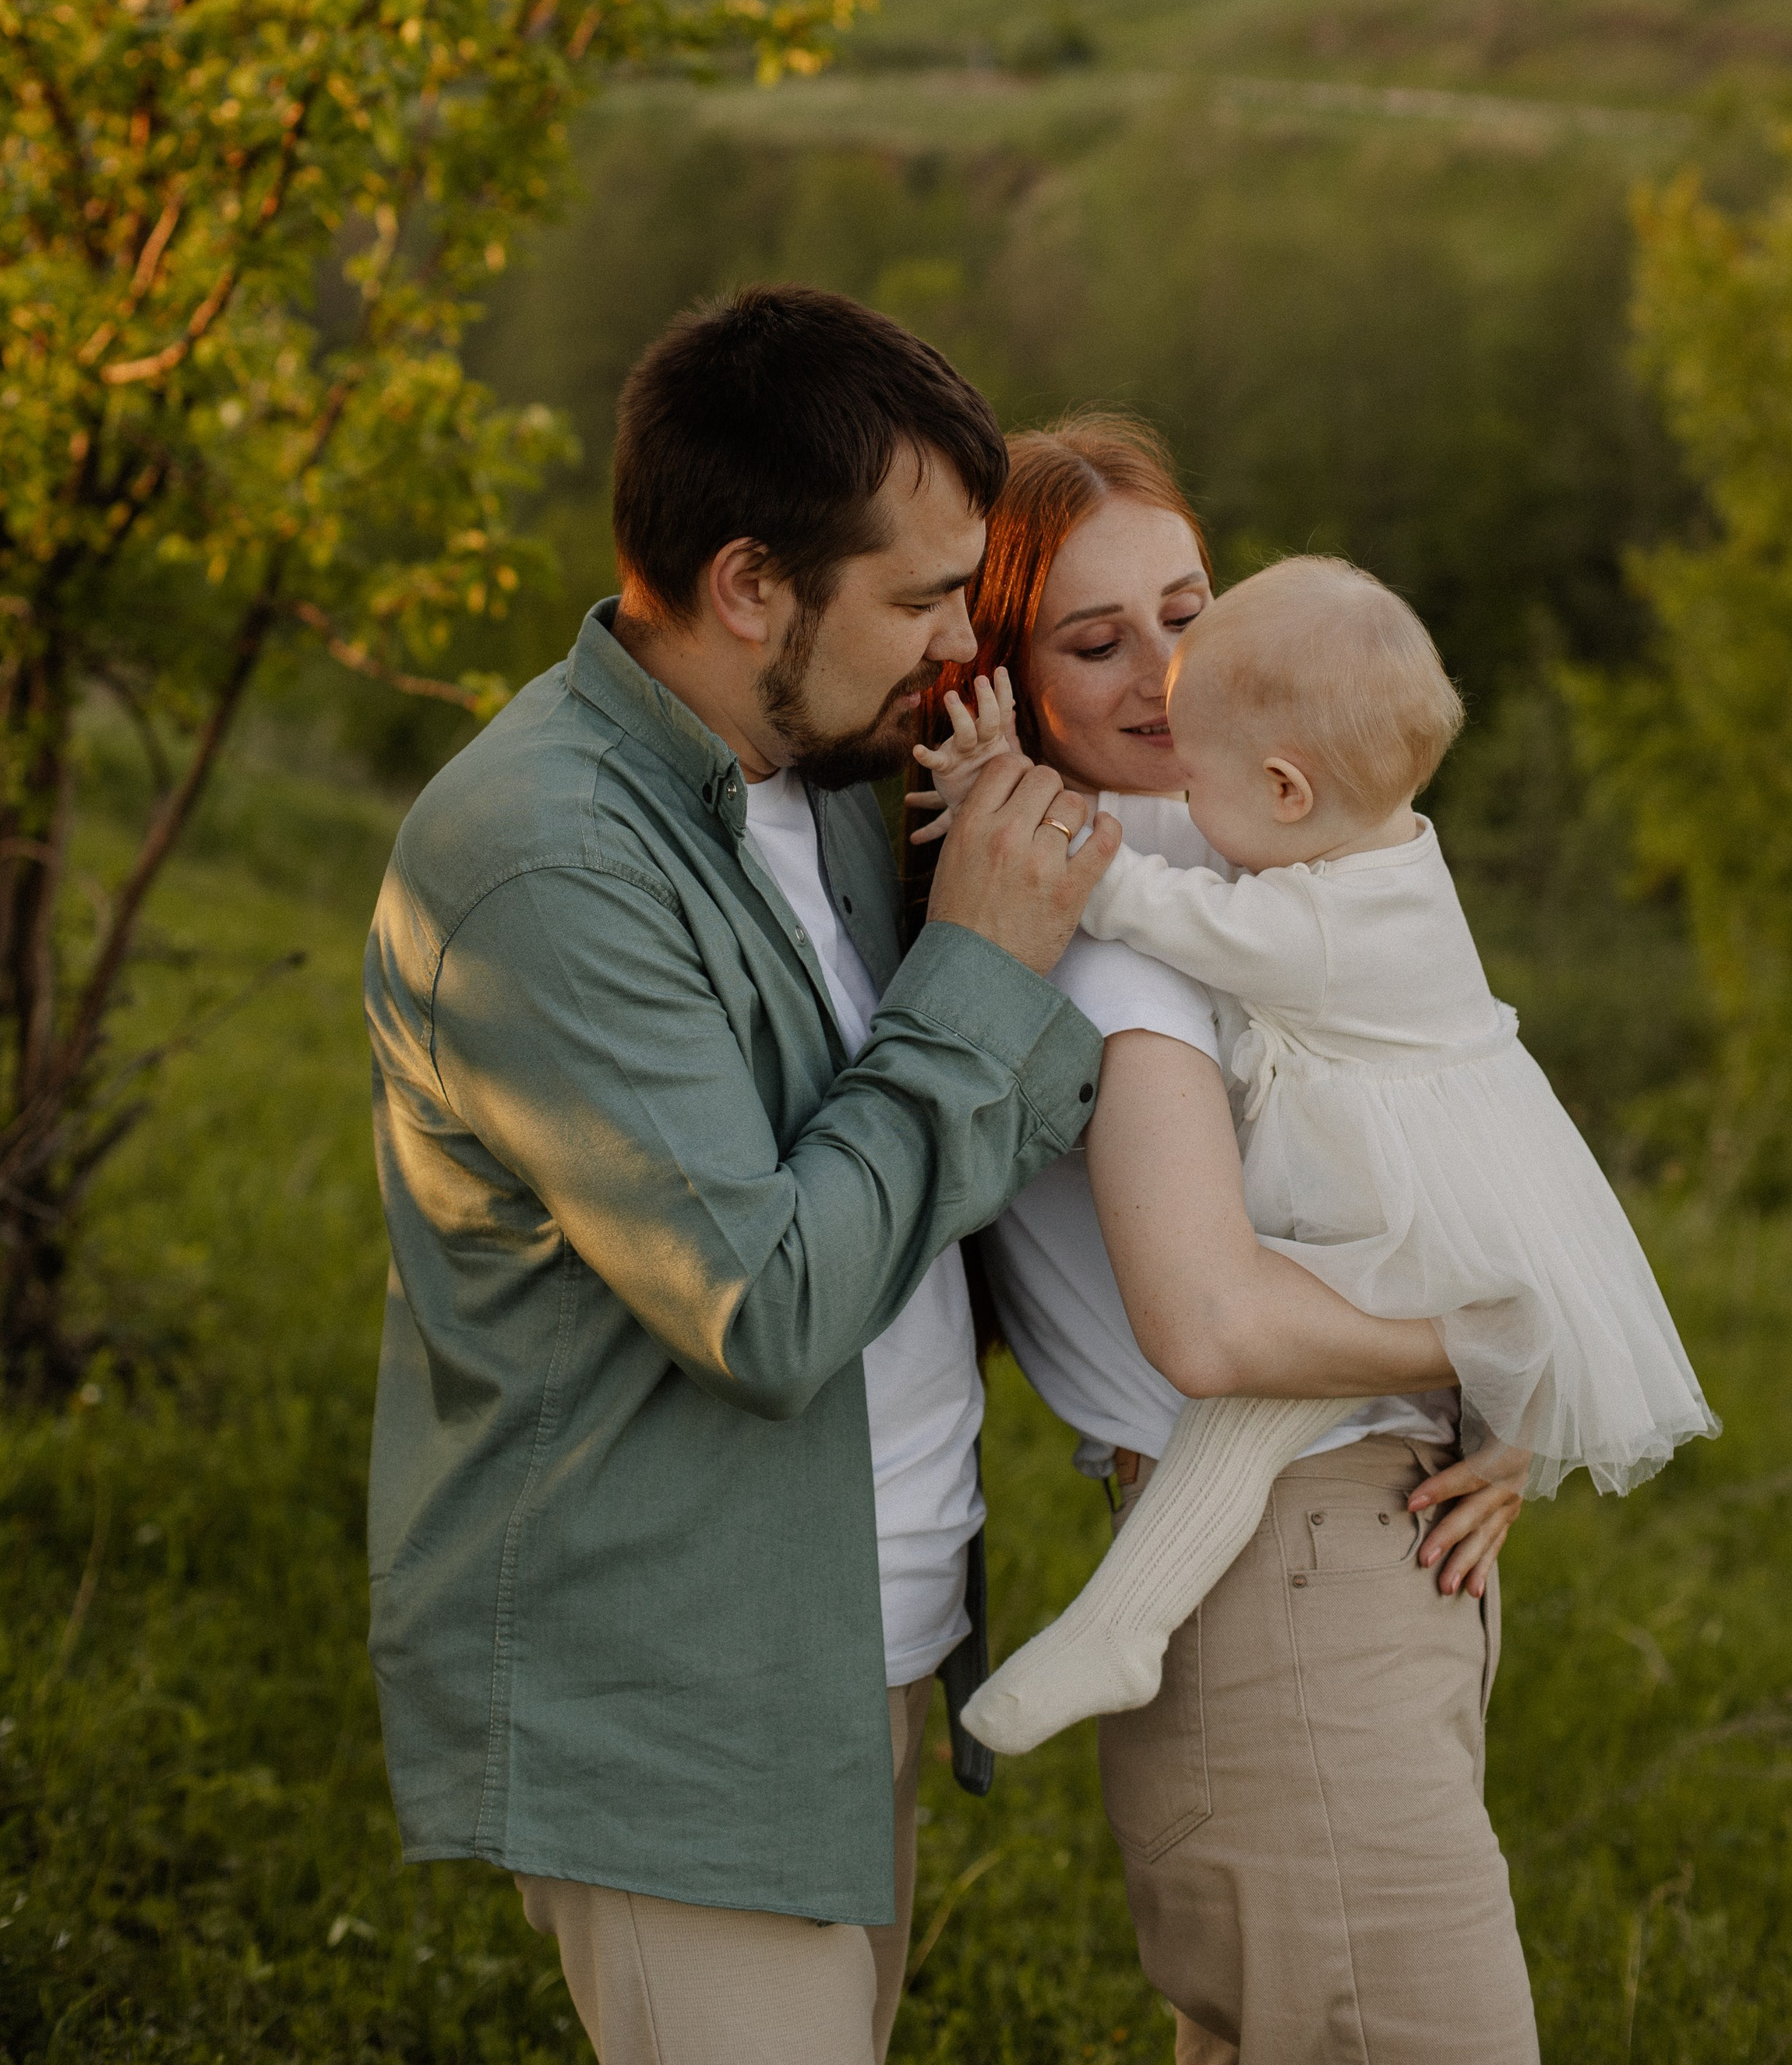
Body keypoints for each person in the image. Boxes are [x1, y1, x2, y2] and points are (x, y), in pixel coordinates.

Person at [363, 296, 1448, 2065]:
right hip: (686, 1678)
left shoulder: (820, 790)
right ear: (748, 588)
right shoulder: (540, 865)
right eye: (927, 599)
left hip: (848, 1634)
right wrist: (980, 969)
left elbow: (983, 1169)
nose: (965, 644)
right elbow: (766, 1302)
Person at [905, 418, 1545, 2065]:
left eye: (1187, 610)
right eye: (1092, 638)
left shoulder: (1226, 877)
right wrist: (1504, 1340)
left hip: (1336, 1560)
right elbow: (1212, 1325)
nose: (1164, 669)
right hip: (1287, 1573)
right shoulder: (1114, 944)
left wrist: (1505, 1407)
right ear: (1005, 674)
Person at [929, 556, 1716, 1755]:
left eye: (1199, 783)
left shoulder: (1316, 929)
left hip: (1419, 1222)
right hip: (1463, 1195)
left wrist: (998, 781)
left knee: (1252, 1407)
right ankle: (1122, 1628)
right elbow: (1140, 830)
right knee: (1270, 1410)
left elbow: (1128, 893)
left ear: (1286, 789)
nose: (1182, 807)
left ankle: (1122, 1625)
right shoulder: (1376, 848)